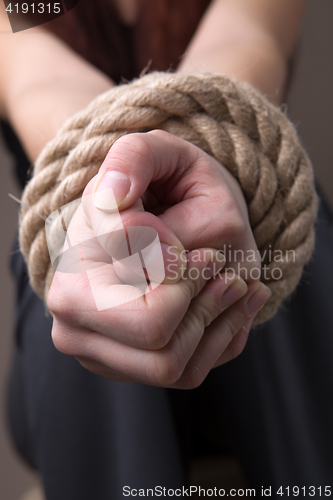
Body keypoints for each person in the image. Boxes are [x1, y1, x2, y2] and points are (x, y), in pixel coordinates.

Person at [1, 1, 333, 498]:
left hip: (255, 205)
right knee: (103, 271)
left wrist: (208, 169)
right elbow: (38, 81)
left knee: (257, 260)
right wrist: (112, 189)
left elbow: (245, 39)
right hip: (72, 219)